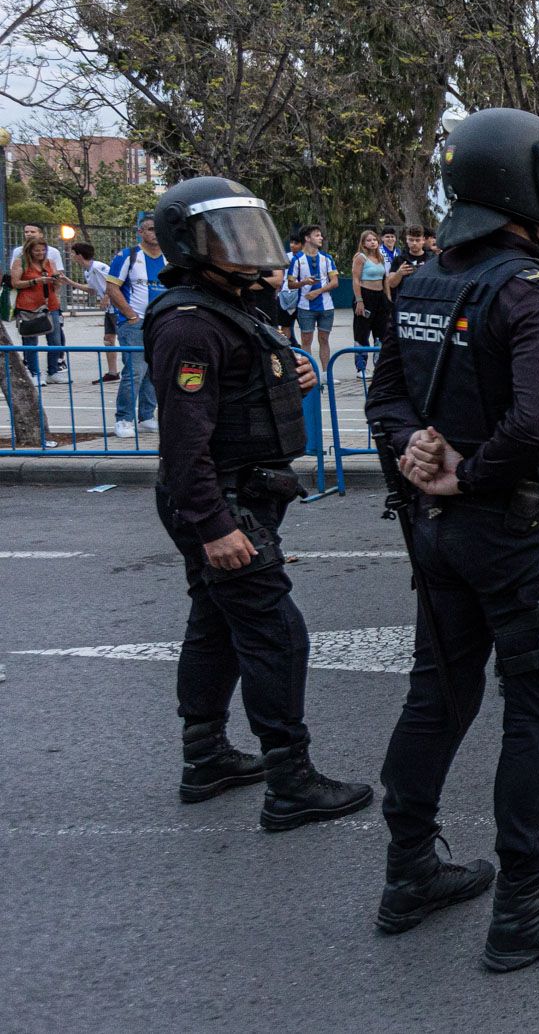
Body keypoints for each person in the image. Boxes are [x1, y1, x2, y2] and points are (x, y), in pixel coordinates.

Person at [367, 108, 539, 971]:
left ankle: (410, 871)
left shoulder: (424, 281)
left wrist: (416, 453)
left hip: (437, 532)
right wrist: (466, 473)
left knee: (437, 694)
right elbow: (536, 419)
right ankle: (523, 904)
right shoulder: (531, 290)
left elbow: (384, 401)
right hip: (515, 530)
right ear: (521, 186)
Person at [141, 176, 372, 830]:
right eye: (227, 234)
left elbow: (245, 379)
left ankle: (205, 757)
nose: (246, 244)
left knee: (215, 624)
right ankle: (291, 781)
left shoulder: (231, 305)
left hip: (240, 493)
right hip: (223, 499)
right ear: (192, 246)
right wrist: (215, 526)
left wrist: (291, 366)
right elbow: (185, 443)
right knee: (276, 631)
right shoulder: (189, 323)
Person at [106, 215, 168, 437]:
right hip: (134, 324)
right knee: (134, 371)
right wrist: (131, 316)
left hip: (161, 323)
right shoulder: (128, 256)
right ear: (141, 232)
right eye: (150, 229)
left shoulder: (169, 259)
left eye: (158, 229)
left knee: (154, 371)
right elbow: (112, 288)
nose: (155, 234)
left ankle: (147, 415)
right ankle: (124, 419)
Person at [9, 233, 83, 385]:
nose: (40, 254)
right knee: (30, 341)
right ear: (29, 251)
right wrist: (36, 281)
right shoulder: (20, 262)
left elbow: (56, 283)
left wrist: (56, 281)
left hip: (50, 305)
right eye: (37, 251)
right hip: (28, 306)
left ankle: (53, 371)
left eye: (43, 250)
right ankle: (33, 373)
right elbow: (15, 283)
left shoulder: (49, 262)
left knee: (55, 339)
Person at [286, 226, 338, 378]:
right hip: (305, 307)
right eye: (317, 235)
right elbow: (290, 284)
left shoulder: (327, 258)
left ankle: (326, 374)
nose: (321, 238)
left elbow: (335, 282)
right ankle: (308, 373)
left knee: (324, 339)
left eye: (321, 235)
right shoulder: (297, 260)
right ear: (307, 238)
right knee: (306, 339)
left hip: (326, 306)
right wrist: (304, 283)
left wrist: (318, 291)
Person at [72, 242, 122, 382]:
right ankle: (112, 372)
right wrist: (70, 282)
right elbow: (92, 290)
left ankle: (134, 368)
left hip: (116, 307)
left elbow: (114, 281)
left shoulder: (99, 267)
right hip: (109, 310)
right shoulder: (88, 271)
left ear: (79, 255)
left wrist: (106, 296)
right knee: (108, 339)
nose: (71, 256)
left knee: (124, 338)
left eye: (72, 253)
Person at [348, 229, 390, 379]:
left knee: (381, 333)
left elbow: (385, 279)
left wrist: (388, 299)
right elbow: (356, 280)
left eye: (374, 239)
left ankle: (379, 366)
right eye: (369, 240)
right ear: (363, 243)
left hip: (380, 297)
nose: (372, 242)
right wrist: (359, 300)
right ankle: (361, 367)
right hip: (365, 295)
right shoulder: (360, 257)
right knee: (362, 332)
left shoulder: (380, 258)